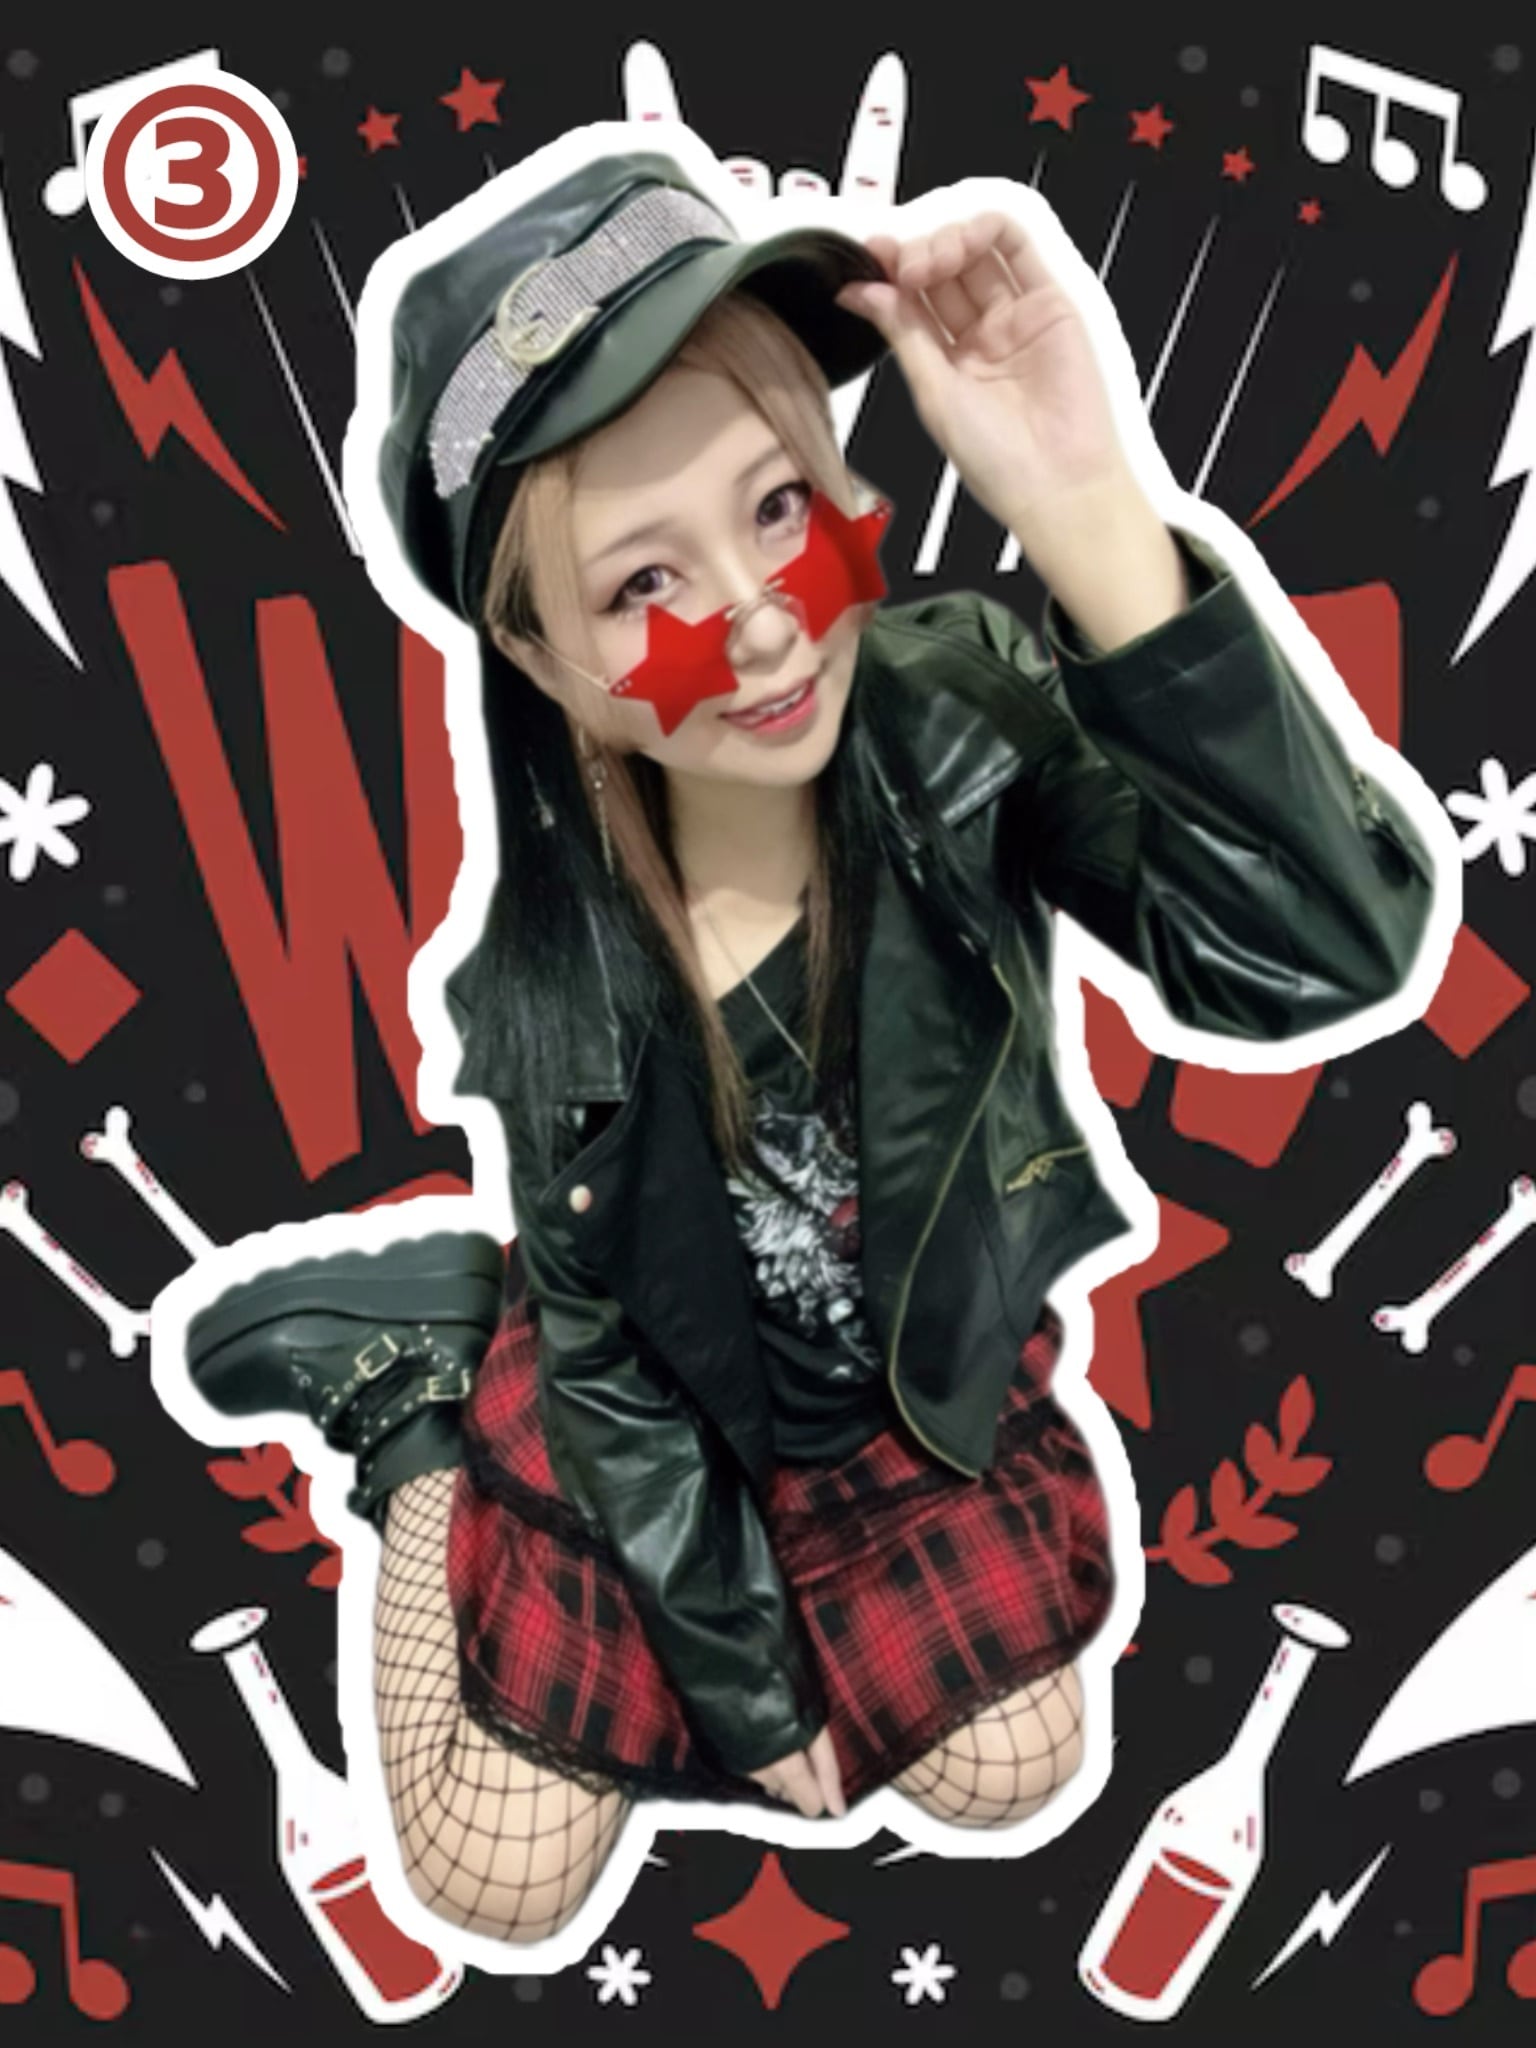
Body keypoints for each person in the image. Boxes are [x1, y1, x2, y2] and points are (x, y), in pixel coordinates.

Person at [182, 143, 1435, 1947]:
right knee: (497, 1886)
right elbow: (618, 1377)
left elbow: (1319, 952)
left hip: (893, 1398)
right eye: (644, 586)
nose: (763, 618)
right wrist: (750, 1688)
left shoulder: (961, 718)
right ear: (542, 661)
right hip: (667, 1409)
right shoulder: (548, 989)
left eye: (781, 505)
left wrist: (1087, 503)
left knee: (1013, 1769)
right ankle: (410, 1412)